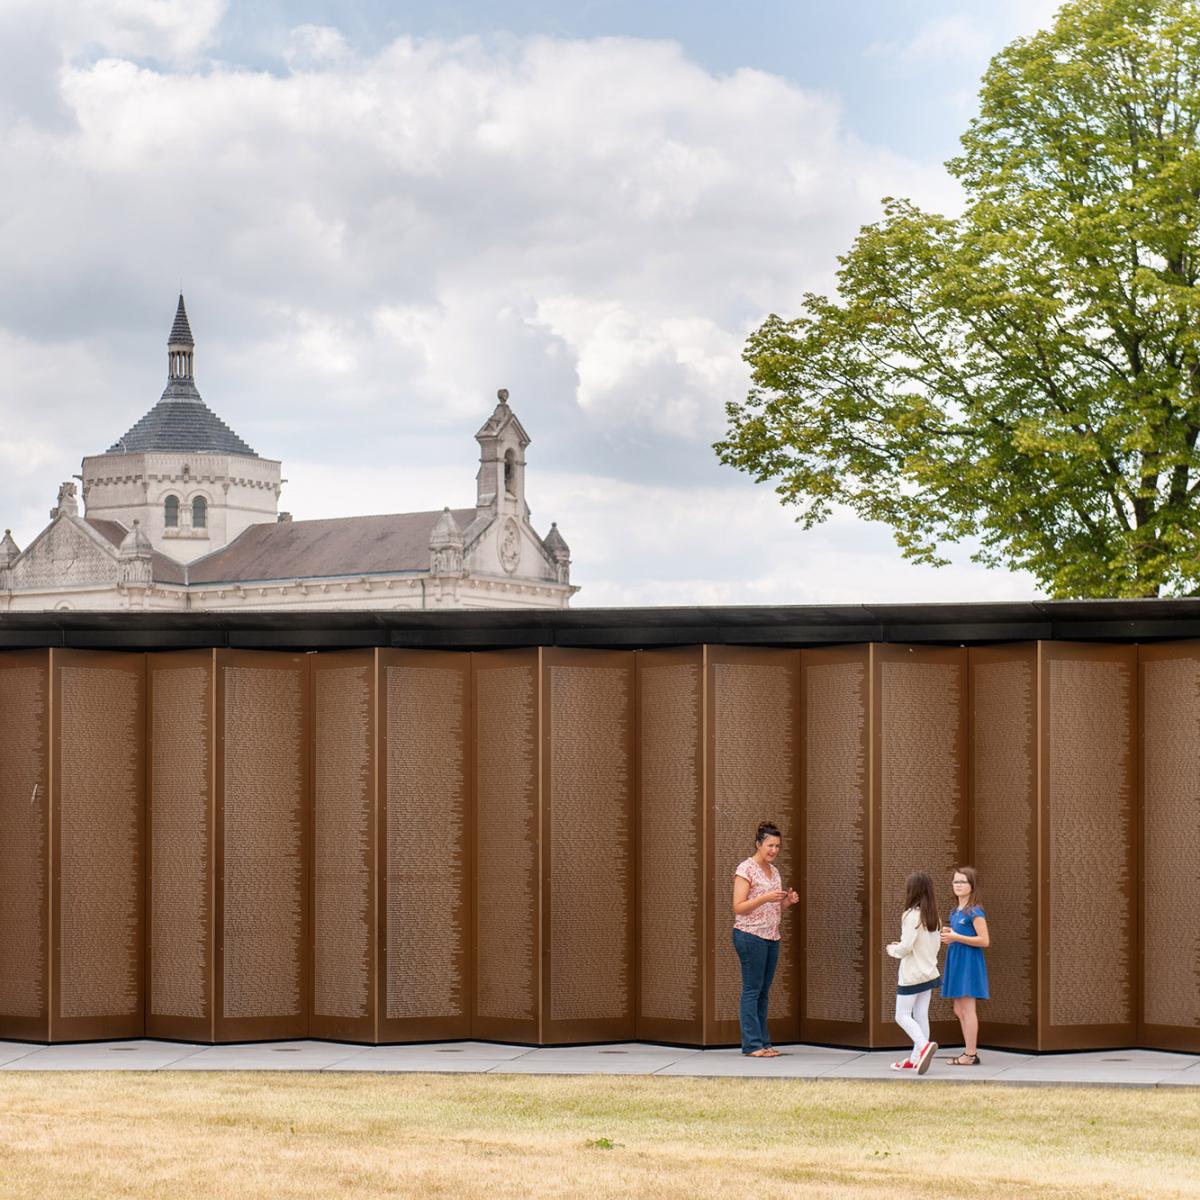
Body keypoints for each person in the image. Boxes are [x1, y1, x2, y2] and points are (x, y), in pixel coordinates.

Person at [731, 822, 799, 1057]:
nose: (774, 850)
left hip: (771, 936)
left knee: (763, 991)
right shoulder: (746, 869)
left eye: (778, 846)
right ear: (758, 844)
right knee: (752, 990)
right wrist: (766, 897)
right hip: (750, 936)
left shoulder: (775, 871)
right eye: (770, 845)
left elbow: (773, 907)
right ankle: (752, 1045)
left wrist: (786, 902)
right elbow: (738, 907)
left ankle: (764, 1043)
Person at [885, 870, 941, 1074]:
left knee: (902, 1015)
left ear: (912, 891)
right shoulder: (934, 917)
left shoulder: (911, 916)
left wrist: (892, 949)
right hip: (929, 972)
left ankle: (923, 1046)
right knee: (920, 1014)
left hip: (911, 975)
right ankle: (916, 1058)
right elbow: (932, 946)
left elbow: (906, 947)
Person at [940, 865, 990, 1065]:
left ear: (972, 885)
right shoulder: (956, 910)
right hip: (957, 959)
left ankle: (970, 1055)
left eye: (963, 881)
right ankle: (968, 1052)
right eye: (955, 881)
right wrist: (951, 937)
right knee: (959, 1009)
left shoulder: (975, 911)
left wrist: (956, 936)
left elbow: (984, 940)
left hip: (969, 962)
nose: (958, 885)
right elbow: (960, 936)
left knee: (968, 1008)